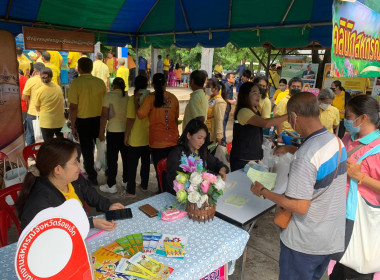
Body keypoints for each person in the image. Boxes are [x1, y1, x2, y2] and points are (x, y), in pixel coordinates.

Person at [251, 92, 347, 280]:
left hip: (305, 242)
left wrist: (263, 191)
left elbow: (299, 206)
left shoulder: (306, 156)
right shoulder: (335, 141)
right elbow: (319, 166)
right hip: (329, 237)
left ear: (294, 117)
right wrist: (293, 149)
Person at [15, 139, 125, 231]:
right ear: (58, 169)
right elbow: (54, 231)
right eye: (74, 162)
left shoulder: (73, 179)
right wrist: (91, 223)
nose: (79, 164)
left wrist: (108, 206)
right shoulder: (41, 200)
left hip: (80, 230)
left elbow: (90, 193)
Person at [330, 95, 380, 280]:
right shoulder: (349, 138)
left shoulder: (378, 148)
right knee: (340, 264)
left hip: (361, 219)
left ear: (363, 118)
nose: (345, 118)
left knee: (357, 268)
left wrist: (361, 177)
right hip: (341, 213)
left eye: (349, 116)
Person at [230, 82, 287, 171]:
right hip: (243, 159)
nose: (258, 96)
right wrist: (288, 116)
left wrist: (263, 140)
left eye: (259, 93)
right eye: (254, 93)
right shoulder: (244, 111)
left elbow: (252, 132)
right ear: (245, 95)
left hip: (251, 158)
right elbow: (265, 123)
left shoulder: (254, 110)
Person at [137, 73, 179, 192]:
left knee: (160, 170)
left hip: (157, 142)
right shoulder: (173, 98)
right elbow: (175, 120)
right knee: (172, 170)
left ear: (153, 84)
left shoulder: (150, 98)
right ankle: (171, 192)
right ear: (165, 83)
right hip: (173, 140)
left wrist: (136, 102)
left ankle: (162, 192)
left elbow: (140, 115)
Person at [68, 57, 107, 186]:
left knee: (87, 150)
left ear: (79, 69)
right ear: (91, 68)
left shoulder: (76, 83)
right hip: (98, 120)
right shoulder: (100, 82)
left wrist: (73, 125)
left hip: (83, 122)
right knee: (101, 147)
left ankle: (92, 176)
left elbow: (73, 107)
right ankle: (108, 171)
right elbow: (105, 104)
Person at [166, 119, 229, 195]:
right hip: (181, 196)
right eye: (199, 138)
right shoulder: (176, 154)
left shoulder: (201, 152)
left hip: (199, 195)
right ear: (189, 135)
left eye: (204, 138)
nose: (202, 142)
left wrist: (222, 169)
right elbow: (173, 182)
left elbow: (216, 163)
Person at [98, 78, 129, 194]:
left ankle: (112, 185)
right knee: (126, 158)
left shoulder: (109, 96)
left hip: (113, 132)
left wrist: (101, 132)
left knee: (112, 160)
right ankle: (126, 181)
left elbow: (104, 115)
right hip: (126, 132)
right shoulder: (127, 97)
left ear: (113, 85)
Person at [124, 76, 150, 197]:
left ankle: (131, 191)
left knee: (132, 165)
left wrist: (126, 135)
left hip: (135, 137)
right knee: (145, 163)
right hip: (148, 136)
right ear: (147, 84)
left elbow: (130, 119)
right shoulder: (152, 97)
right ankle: (144, 186)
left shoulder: (133, 99)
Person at [35, 68, 65, 142]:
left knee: (48, 144)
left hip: (46, 122)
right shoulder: (58, 88)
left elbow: (37, 107)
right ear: (51, 77)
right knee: (61, 144)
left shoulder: (39, 91)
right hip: (59, 121)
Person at [22, 62, 45, 145]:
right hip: (46, 112)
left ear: (34, 71)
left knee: (30, 134)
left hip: (33, 111)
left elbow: (24, 97)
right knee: (45, 135)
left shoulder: (31, 81)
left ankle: (30, 155)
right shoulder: (48, 79)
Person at [275, 77, 303, 143]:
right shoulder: (284, 102)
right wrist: (280, 137)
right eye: (293, 86)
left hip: (297, 135)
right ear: (289, 87)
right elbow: (279, 120)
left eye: (298, 87)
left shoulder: (302, 101)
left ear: (302, 88)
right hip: (285, 135)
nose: (296, 88)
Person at [205, 78, 227, 145]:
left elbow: (219, 120)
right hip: (206, 132)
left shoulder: (219, 102)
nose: (206, 89)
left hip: (211, 135)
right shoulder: (210, 99)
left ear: (215, 88)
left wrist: (219, 137)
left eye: (208, 87)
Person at [222, 72, 236, 146]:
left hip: (228, 108)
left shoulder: (230, 86)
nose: (234, 79)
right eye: (233, 77)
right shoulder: (225, 86)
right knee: (223, 124)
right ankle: (222, 140)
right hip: (224, 108)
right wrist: (229, 100)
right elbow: (222, 97)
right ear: (228, 79)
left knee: (224, 123)